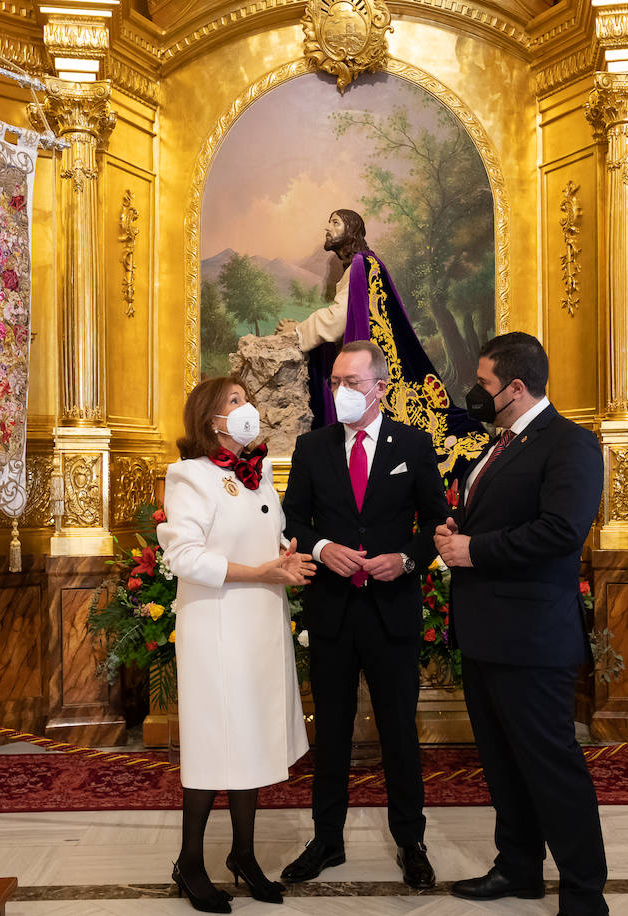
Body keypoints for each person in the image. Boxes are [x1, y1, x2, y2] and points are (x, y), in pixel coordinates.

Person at [434, 331, 608, 916]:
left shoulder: (570, 444)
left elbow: (561, 532)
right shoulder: (502, 442)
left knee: (551, 770)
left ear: (514, 386)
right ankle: (519, 868)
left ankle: (584, 895)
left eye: (484, 383)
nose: (476, 394)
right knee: (504, 765)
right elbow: (493, 515)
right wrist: (454, 534)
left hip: (532, 640)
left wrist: (473, 551)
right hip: (487, 635)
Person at [279, 340, 450, 890]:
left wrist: (405, 559)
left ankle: (411, 841)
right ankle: (326, 839)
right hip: (331, 612)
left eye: (351, 383)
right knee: (331, 732)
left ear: (380, 387)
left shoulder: (414, 444)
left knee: (399, 732)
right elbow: (292, 519)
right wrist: (323, 545)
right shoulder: (312, 447)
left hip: (390, 612)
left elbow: (438, 522)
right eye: (334, 383)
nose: (340, 393)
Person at [157, 376, 316, 913]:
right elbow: (185, 558)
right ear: (210, 419)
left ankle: (244, 855)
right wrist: (261, 571)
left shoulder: (259, 473)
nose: (247, 408)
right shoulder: (188, 476)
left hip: (261, 623)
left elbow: (268, 538)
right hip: (217, 628)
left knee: (251, 740)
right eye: (235, 401)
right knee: (214, 745)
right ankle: (190, 861)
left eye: (247, 399)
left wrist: (285, 558)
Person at [280, 209, 486, 476]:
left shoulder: (361, 264)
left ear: (351, 229)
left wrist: (297, 332)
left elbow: (337, 320)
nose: (327, 228)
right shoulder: (359, 266)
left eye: (335, 223)